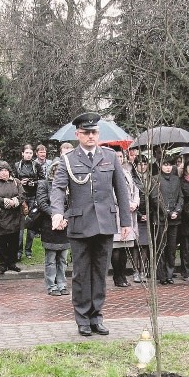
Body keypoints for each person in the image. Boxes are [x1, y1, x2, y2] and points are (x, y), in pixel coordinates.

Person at [50, 112, 132, 337]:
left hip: (105, 223)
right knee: (81, 274)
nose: (90, 136)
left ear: (99, 134)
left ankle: (97, 316)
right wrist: (57, 213)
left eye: (94, 132)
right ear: (78, 134)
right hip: (80, 224)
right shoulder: (69, 159)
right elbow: (57, 188)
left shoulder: (109, 156)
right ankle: (83, 318)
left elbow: (121, 191)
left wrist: (125, 221)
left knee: (100, 272)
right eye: (86, 132)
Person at [36, 159, 70, 295]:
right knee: (50, 259)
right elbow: (42, 202)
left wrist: (65, 218)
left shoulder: (69, 185)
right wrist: (56, 216)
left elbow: (72, 203)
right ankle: (51, 285)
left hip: (64, 226)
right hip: (49, 225)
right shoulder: (44, 184)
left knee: (63, 258)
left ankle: (62, 284)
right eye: (56, 171)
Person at [0, 161, 24, 274]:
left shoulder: (16, 182)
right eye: (2, 171)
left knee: (13, 242)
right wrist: (4, 202)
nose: (4, 173)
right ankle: (2, 264)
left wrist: (15, 201)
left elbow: (22, 195)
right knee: (1, 243)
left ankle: (12, 263)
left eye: (6, 170)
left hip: (14, 216)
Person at [151, 156, 183, 285]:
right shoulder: (155, 179)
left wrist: (177, 210)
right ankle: (162, 275)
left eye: (170, 165)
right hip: (160, 219)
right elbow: (155, 198)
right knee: (161, 247)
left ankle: (170, 274)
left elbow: (181, 196)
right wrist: (167, 212)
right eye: (165, 165)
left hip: (174, 219)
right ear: (160, 166)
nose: (168, 167)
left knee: (171, 248)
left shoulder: (176, 179)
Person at [110, 149, 139, 287]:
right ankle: (117, 276)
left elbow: (135, 190)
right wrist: (126, 204)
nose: (119, 159)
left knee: (126, 247)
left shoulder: (127, 172)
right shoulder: (109, 173)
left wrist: (135, 202)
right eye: (116, 156)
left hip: (129, 213)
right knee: (116, 247)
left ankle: (123, 275)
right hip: (117, 212)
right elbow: (113, 193)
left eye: (121, 156)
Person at [14, 145, 44, 260]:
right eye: (26, 152)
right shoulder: (17, 165)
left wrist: (33, 183)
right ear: (22, 153)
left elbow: (42, 180)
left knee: (31, 224)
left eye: (30, 153)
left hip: (33, 196)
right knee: (20, 225)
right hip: (21, 197)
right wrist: (20, 182)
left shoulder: (36, 165)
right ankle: (18, 251)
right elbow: (13, 181)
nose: (28, 155)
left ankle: (28, 250)